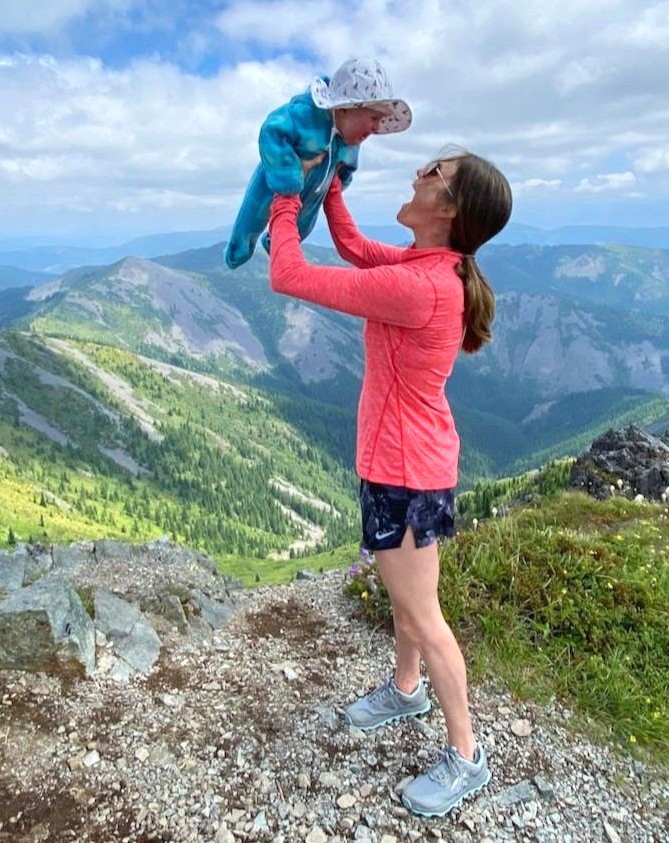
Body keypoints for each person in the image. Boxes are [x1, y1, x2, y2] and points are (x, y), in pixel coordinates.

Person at [267, 146, 513, 817]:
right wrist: (334, 187)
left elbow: (290, 275)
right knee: (406, 593)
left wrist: (284, 197)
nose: (418, 175)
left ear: (451, 210)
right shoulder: (432, 267)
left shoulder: (420, 286)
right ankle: (406, 688)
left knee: (423, 614)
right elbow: (349, 244)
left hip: (405, 470)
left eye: (433, 175)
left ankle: (466, 755)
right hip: (413, 464)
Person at [224, 57, 411, 270]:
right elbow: (271, 131)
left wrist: (341, 180)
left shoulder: (352, 139)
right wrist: (290, 177)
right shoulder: (303, 115)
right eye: (374, 118)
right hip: (275, 178)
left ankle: (274, 244)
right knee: (252, 218)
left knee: (303, 225)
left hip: (316, 189)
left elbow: (348, 165)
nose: (376, 128)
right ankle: (237, 253)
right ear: (344, 108)